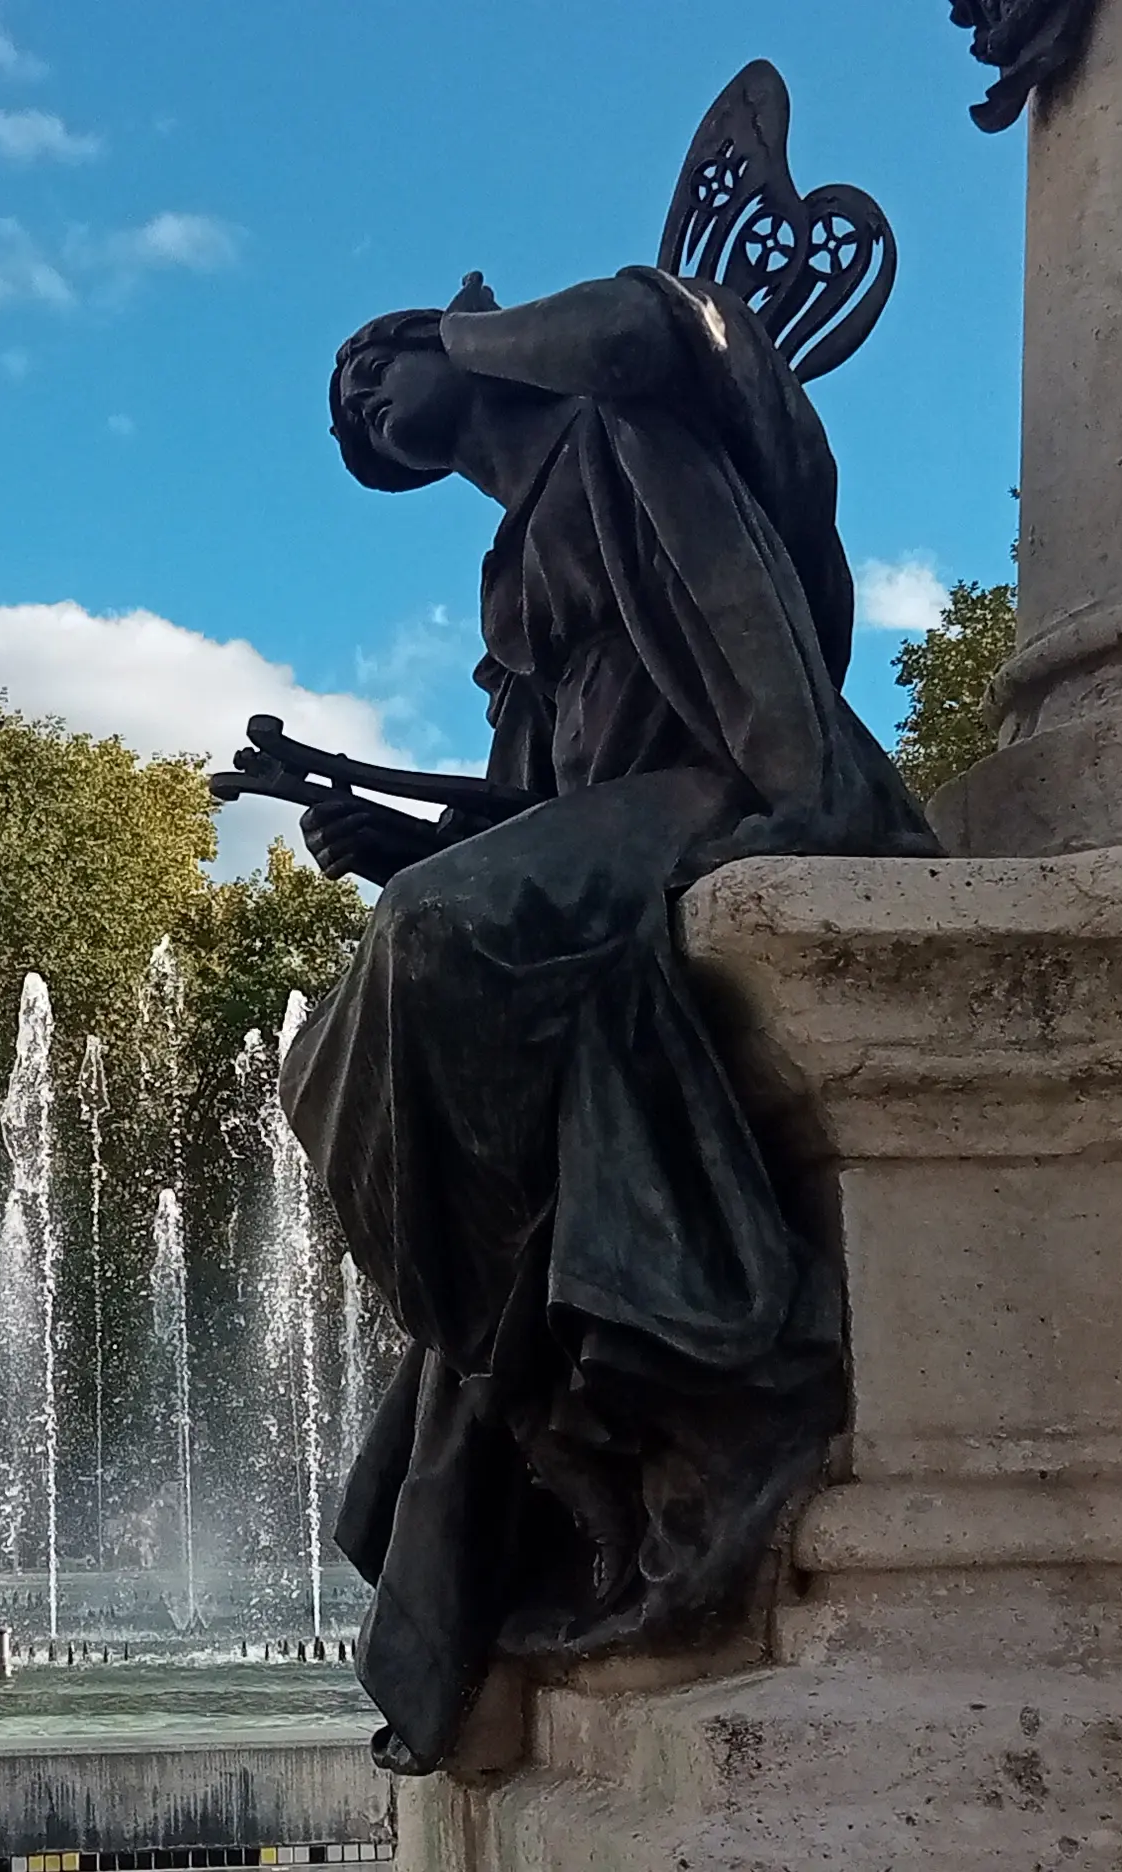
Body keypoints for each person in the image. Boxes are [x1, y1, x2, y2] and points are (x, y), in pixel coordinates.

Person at [292, 259, 941, 1774]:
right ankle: (523, 1358)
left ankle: (571, 1376)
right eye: (354, 408)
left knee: (435, 938)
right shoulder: (508, 568)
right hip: (620, 821)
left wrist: (460, 327)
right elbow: (538, 803)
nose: (364, 404)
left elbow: (663, 330)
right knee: (333, 1040)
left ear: (451, 341)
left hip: (734, 786)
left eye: (372, 367)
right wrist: (382, 828)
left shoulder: (622, 415)